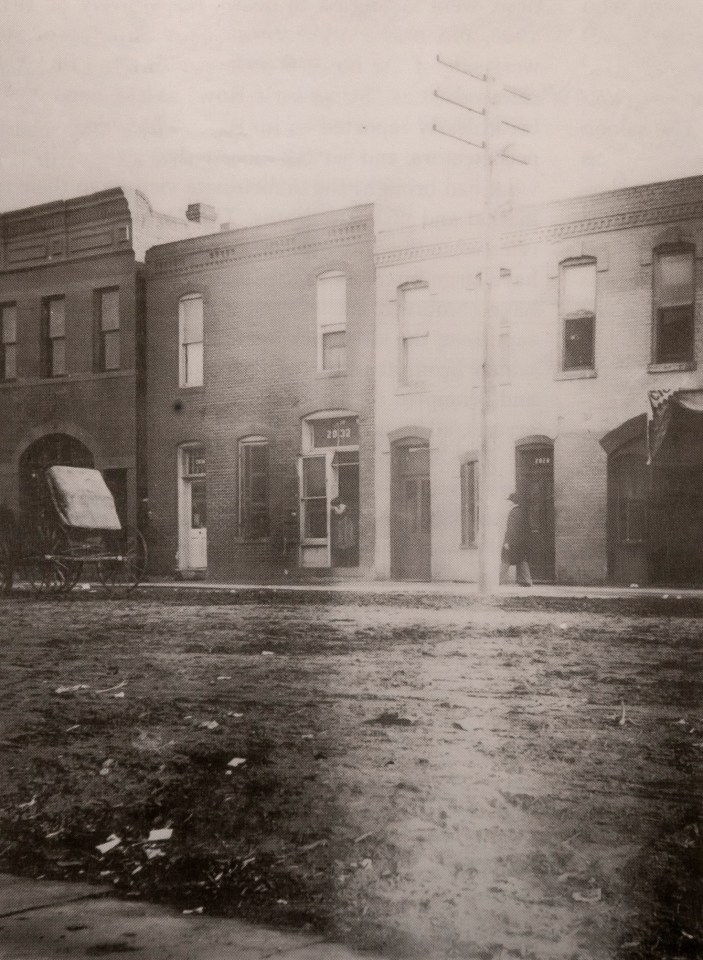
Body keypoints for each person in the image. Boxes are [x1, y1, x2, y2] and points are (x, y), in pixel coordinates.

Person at [500, 492, 532, 586]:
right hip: (521, 541)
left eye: (509, 501)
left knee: (506, 560)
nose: (508, 503)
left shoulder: (513, 512)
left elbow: (511, 528)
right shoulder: (522, 512)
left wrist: (507, 542)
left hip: (513, 541)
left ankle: (497, 581)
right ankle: (526, 580)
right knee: (522, 560)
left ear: (513, 502)